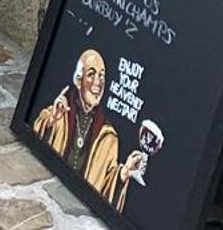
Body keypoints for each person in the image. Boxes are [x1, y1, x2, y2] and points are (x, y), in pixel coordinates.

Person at [32, 49, 145, 210]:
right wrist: (52, 121)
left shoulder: (109, 137)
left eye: (102, 76)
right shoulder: (60, 112)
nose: (98, 83)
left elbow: (107, 184)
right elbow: (36, 133)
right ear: (78, 80)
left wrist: (124, 172)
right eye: (91, 74)